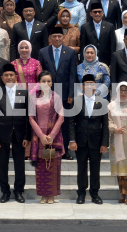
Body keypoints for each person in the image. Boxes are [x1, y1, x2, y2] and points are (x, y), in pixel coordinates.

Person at [0, 63, 29, 203]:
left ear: (16, 77)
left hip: (19, 134)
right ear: (2, 77)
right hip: (2, 134)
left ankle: (18, 191)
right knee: (2, 164)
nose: (9, 77)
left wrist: (27, 136)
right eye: (6, 75)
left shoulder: (23, 93)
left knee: (20, 164)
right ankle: (5, 191)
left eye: (11, 75)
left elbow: (27, 116)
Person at [68, 73, 109, 204]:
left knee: (95, 169)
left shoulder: (102, 102)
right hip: (80, 141)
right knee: (81, 168)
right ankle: (81, 194)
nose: (90, 86)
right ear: (82, 86)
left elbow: (106, 124)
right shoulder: (77, 101)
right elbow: (71, 122)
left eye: (92, 83)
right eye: (87, 84)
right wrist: (72, 140)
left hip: (96, 141)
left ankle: (95, 193)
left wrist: (104, 143)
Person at [38, 26, 77, 157]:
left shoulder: (70, 52)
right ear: (50, 38)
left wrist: (71, 94)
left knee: (63, 123)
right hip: (48, 94)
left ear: (63, 37)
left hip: (65, 94)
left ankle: (63, 150)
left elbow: (73, 74)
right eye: (54, 36)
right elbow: (41, 73)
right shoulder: (43, 52)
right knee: (48, 122)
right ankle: (48, 150)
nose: (57, 38)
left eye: (59, 36)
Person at [29, 70, 65, 204]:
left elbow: (61, 118)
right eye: (43, 81)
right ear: (39, 82)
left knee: (53, 166)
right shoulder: (34, 98)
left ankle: (52, 195)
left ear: (52, 82)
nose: (46, 83)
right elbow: (31, 118)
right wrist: (41, 136)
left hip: (53, 137)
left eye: (48, 81)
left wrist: (51, 135)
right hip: (38, 138)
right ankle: (43, 195)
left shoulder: (56, 97)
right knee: (41, 168)